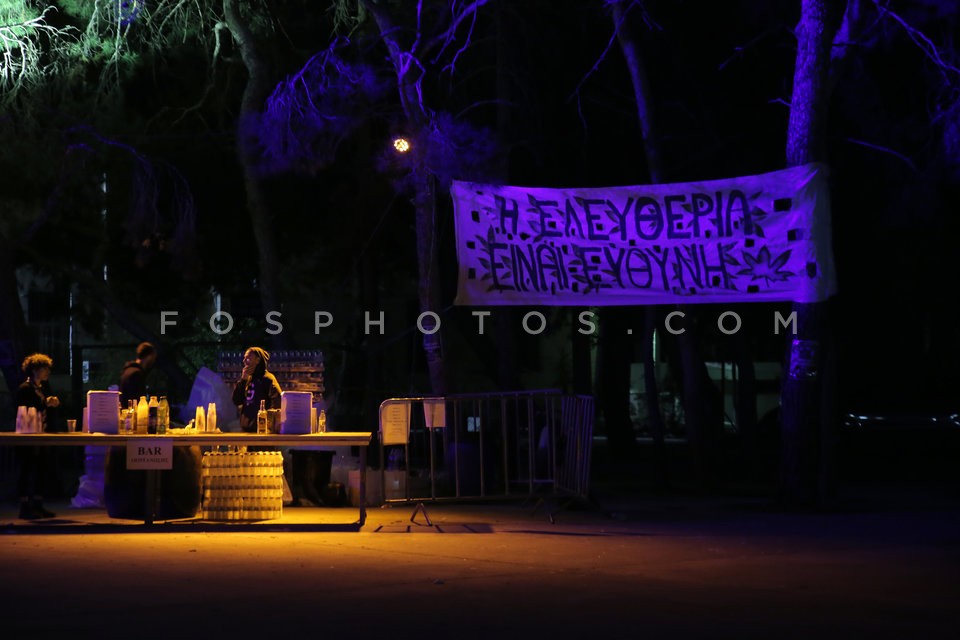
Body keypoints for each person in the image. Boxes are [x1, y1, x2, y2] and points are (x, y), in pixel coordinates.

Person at [13, 353, 61, 519]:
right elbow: (25, 410)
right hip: (28, 436)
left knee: (41, 468)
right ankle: (25, 505)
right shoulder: (25, 389)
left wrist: (49, 402)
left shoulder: (40, 388)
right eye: (43, 369)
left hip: (41, 433)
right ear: (34, 370)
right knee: (27, 469)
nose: (47, 372)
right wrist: (45, 402)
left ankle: (38, 504)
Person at [232, 347, 282, 433]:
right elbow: (236, 400)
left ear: (257, 360)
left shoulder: (268, 379)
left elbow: (278, 402)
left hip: (262, 431)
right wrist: (243, 380)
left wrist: (270, 424)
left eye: (248, 358)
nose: (244, 361)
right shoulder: (247, 378)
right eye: (244, 358)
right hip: (246, 430)